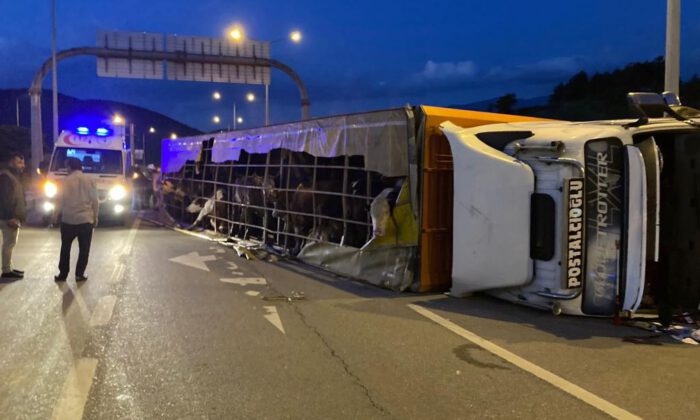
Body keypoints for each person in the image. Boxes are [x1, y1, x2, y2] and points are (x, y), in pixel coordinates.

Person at [54, 157, 98, 282]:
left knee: (65, 248)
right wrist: (96, 216)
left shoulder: (64, 181)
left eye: (66, 166)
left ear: (69, 167)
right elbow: (95, 200)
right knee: (84, 249)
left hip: (68, 220)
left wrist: (55, 215)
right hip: (85, 219)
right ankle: (79, 274)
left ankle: (63, 274)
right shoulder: (90, 180)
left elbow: (59, 200)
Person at [0, 152, 26, 279]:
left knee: (10, 244)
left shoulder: (13, 176)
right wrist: (10, 217)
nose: (23, 165)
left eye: (23, 163)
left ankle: (8, 268)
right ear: (11, 162)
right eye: (19, 162)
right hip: (8, 217)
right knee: (8, 244)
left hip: (11, 216)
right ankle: (6, 271)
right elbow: (5, 199)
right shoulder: (6, 177)